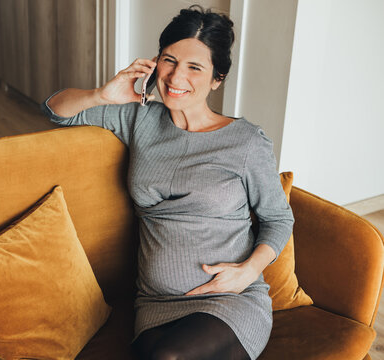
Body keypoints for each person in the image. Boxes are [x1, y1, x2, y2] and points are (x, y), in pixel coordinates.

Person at [41, 5, 294, 360]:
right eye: (169, 60)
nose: (176, 78)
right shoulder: (140, 118)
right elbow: (55, 109)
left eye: (195, 67)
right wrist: (103, 94)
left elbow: (278, 219)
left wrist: (248, 271)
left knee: (167, 358)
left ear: (217, 78)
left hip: (229, 300)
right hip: (156, 305)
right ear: (154, 62)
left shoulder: (246, 142)